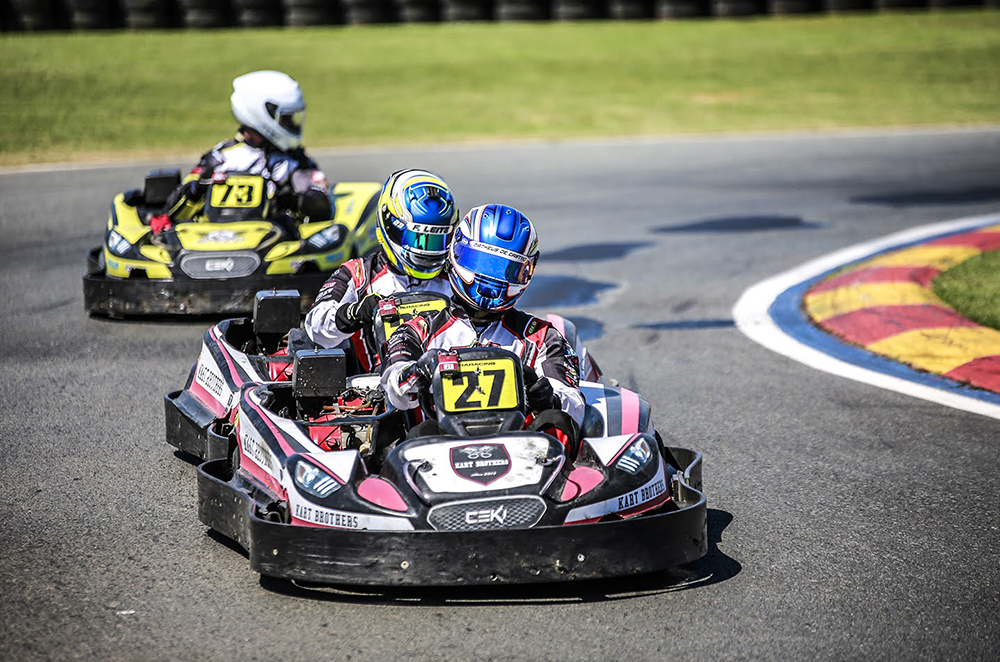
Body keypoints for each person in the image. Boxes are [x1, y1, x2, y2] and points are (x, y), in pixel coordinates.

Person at [381, 204, 585, 457]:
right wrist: (417, 371)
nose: (489, 281)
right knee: (415, 436)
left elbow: (574, 405)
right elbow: (393, 387)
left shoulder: (542, 336)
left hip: (524, 449)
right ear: (457, 253)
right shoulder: (418, 329)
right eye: (481, 262)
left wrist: (544, 394)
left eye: (504, 269)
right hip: (441, 449)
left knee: (557, 420)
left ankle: (557, 483)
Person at [303, 168, 459, 372]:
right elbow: (316, 326)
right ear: (391, 226)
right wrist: (355, 313)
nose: (428, 251)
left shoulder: (456, 277)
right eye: (420, 240)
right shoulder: (359, 274)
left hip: (447, 383)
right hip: (377, 390)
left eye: (438, 240)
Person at [150, 70, 332, 234]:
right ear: (261, 114)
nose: (292, 124)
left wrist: (289, 199)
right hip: (211, 239)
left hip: (270, 241)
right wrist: (199, 187)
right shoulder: (219, 157)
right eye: (287, 119)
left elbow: (321, 205)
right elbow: (174, 211)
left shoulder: (294, 162)